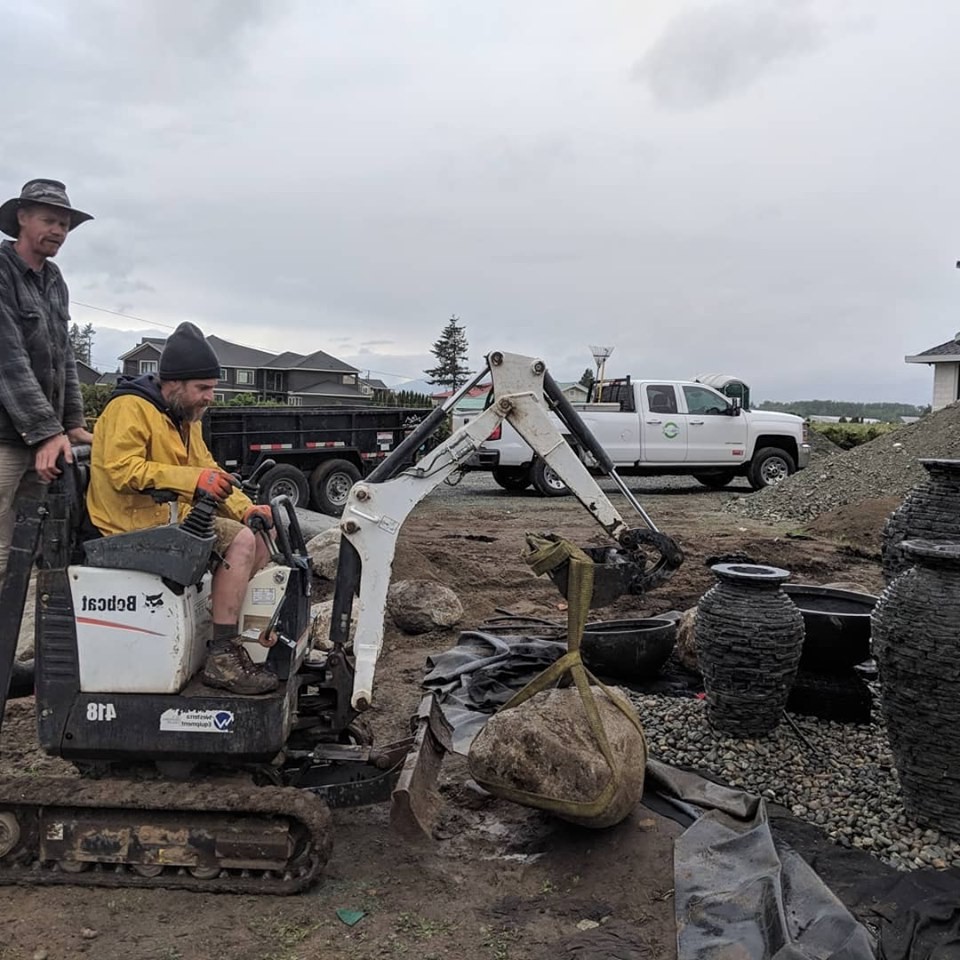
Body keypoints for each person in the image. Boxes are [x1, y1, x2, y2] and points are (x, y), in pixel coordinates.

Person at [86, 321, 279, 696]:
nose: (210, 397)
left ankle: (220, 633)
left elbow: (209, 472)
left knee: (258, 535)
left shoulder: (182, 417)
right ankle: (222, 657)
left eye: (212, 388)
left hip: (166, 522)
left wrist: (245, 509)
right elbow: (122, 471)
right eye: (203, 388)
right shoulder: (130, 409)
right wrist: (191, 481)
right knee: (240, 543)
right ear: (174, 384)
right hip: (127, 529)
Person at [0, 179, 95, 586]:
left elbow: (65, 358)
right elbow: (8, 358)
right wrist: (45, 433)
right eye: (49, 220)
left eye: (64, 224)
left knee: (32, 541)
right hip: (6, 437)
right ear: (22, 218)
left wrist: (71, 423)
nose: (58, 230)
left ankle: (13, 641)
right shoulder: (3, 271)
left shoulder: (55, 280)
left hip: (46, 438)